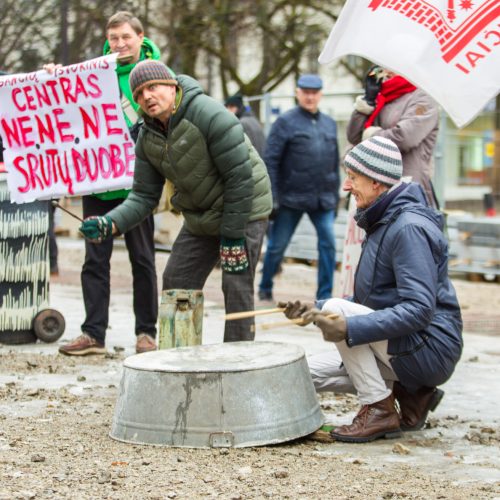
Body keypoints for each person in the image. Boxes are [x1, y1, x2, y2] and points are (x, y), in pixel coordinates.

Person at [280, 136, 463, 443]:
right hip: (407, 347)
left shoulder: (408, 228)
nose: (346, 186)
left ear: (377, 182)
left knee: (337, 313)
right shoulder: (384, 221)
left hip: (429, 348)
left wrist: (347, 324)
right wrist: (312, 307)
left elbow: (419, 309)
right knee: (300, 373)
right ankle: (410, 393)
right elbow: (372, 300)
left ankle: (379, 407)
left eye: (353, 178)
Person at [78, 60, 272, 342]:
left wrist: (231, 238)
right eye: (140, 94)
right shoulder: (147, 136)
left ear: (172, 86)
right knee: (177, 280)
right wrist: (110, 223)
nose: (147, 97)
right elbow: (144, 196)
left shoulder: (209, 114)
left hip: (245, 207)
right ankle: (180, 357)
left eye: (153, 87)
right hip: (201, 213)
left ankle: (237, 363)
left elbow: (239, 178)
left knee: (236, 284)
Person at [59, 11, 164, 356]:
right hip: (98, 182)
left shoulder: (155, 76)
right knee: (95, 259)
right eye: (113, 38)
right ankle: (93, 333)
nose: (119, 44)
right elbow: (65, 103)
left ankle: (146, 333)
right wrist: (54, 80)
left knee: (143, 260)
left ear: (140, 37)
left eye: (125, 37)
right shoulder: (94, 73)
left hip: (138, 186)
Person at [258, 74, 339, 302]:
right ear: (298, 93)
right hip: (290, 198)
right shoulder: (284, 122)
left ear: (320, 94)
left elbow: (334, 162)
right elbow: (270, 160)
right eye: (306, 92)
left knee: (329, 245)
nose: (310, 97)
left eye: (314, 93)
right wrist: (273, 196)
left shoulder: (329, 124)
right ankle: (265, 287)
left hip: (322, 199)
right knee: (277, 246)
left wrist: (335, 195)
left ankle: (324, 297)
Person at [346, 66, 440, 208]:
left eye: (393, 67)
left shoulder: (423, 98)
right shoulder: (383, 97)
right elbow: (354, 136)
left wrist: (370, 135)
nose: (386, 71)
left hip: (407, 186)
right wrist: (367, 102)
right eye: (384, 66)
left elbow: (405, 137)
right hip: (375, 187)